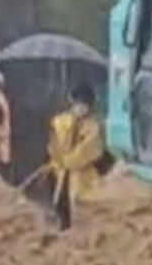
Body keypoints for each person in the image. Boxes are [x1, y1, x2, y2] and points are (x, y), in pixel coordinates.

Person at [40, 82, 106, 231]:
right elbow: (53, 144)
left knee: (80, 209)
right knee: (58, 204)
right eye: (79, 104)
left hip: (82, 176)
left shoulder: (93, 127)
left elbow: (90, 150)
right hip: (58, 173)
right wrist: (56, 159)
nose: (81, 108)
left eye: (85, 105)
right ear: (72, 103)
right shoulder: (59, 122)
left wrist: (69, 161)